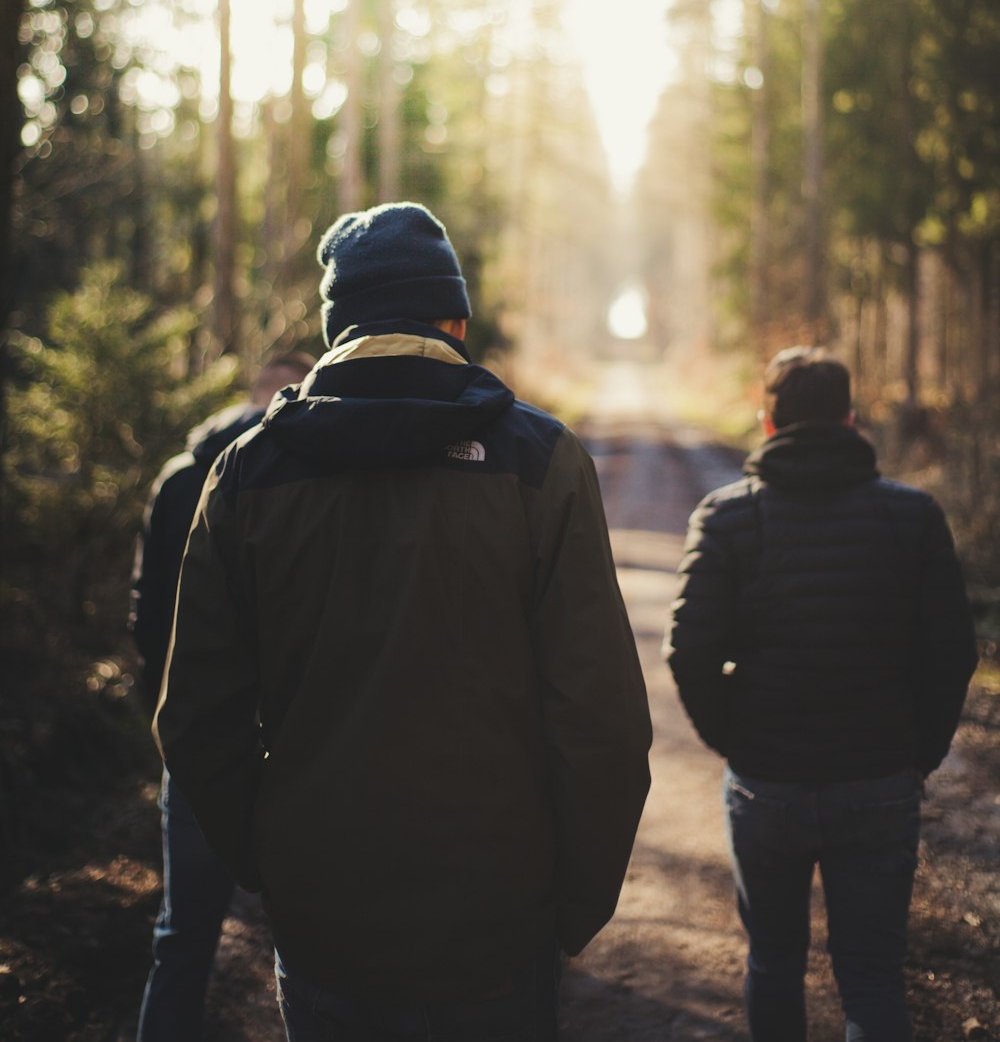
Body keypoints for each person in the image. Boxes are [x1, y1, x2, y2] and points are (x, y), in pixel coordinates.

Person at [154, 201, 652, 1042]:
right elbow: (600, 722)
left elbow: (196, 719)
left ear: (336, 329)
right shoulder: (540, 461)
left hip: (324, 925)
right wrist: (570, 906)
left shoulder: (245, 474)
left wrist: (275, 865)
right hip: (498, 924)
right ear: (455, 318)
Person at [665, 346, 978, 1042]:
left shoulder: (725, 517)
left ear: (767, 425)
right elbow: (953, 652)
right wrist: (915, 755)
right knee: (871, 978)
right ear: (852, 420)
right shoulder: (913, 514)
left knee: (774, 964)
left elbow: (687, 651)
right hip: (879, 779)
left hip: (766, 782)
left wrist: (737, 741)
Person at [130, 349, 315, 1042]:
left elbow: (145, 613)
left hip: (197, 731)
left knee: (182, 936)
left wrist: (166, 716)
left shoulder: (179, 478)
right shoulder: (304, 469)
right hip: (296, 739)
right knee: (316, 936)